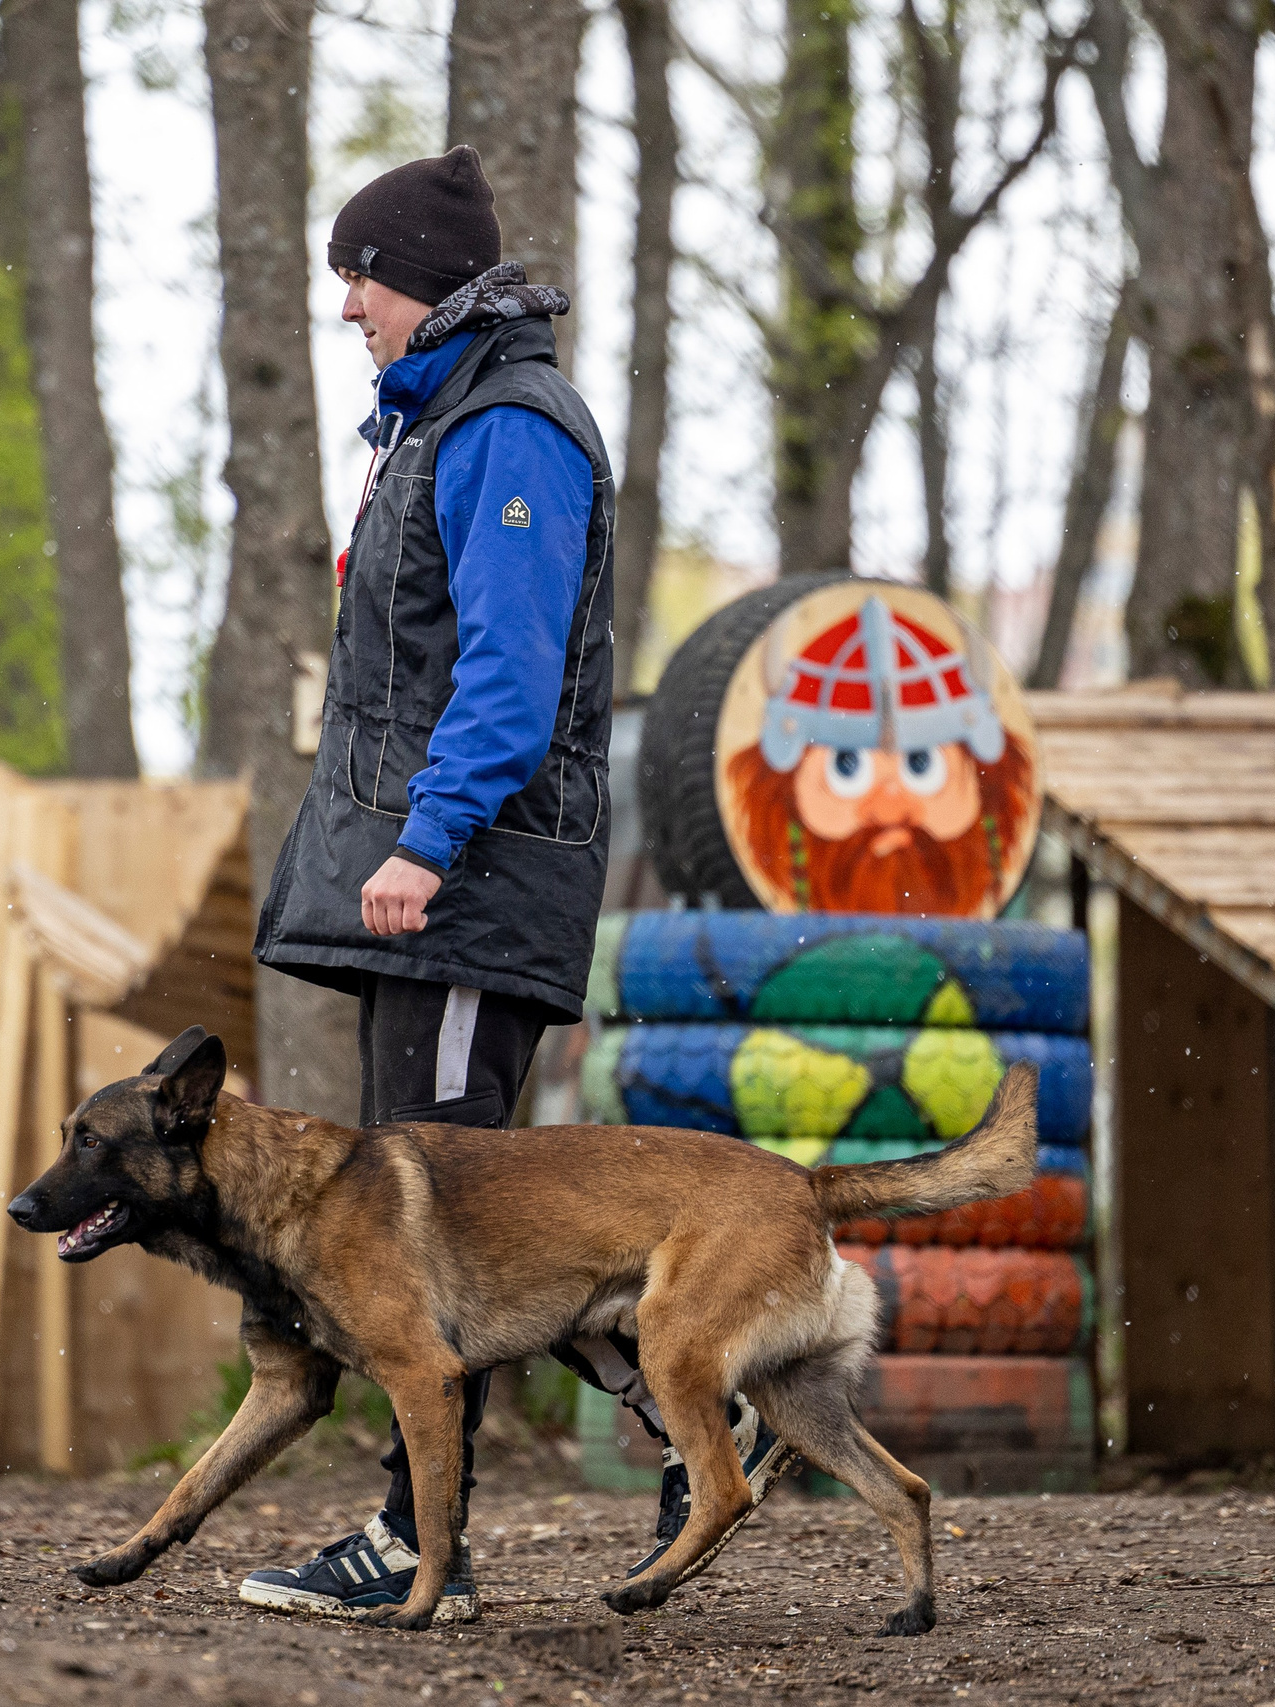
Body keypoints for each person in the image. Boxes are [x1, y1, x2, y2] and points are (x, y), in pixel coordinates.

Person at [243, 146, 788, 1625]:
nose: (347, 303)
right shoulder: (437, 422)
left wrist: (425, 844)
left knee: (448, 1236)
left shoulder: (513, 430)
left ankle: (428, 1548)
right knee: (460, 1234)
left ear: (421, 281)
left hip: (476, 887)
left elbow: (511, 664)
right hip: (442, 887)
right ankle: (690, 1431)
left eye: (360, 275)